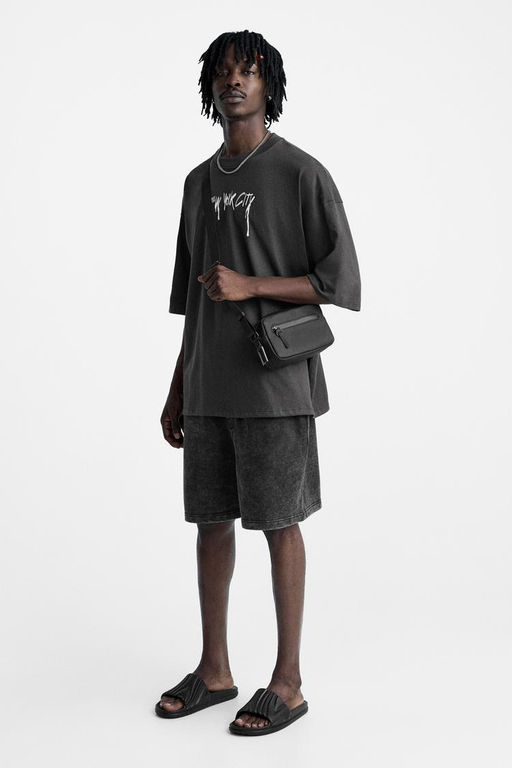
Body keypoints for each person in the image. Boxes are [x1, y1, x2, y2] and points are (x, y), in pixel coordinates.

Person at [155, 30, 361, 736]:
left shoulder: (301, 173)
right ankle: (215, 670)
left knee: (279, 524)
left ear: (270, 84)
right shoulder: (197, 183)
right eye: (222, 72)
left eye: (247, 70)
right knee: (210, 524)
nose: (233, 81)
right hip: (208, 385)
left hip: (275, 385)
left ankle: (289, 683)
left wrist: (251, 285)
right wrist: (178, 388)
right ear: (209, 88)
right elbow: (191, 303)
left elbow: (339, 281)